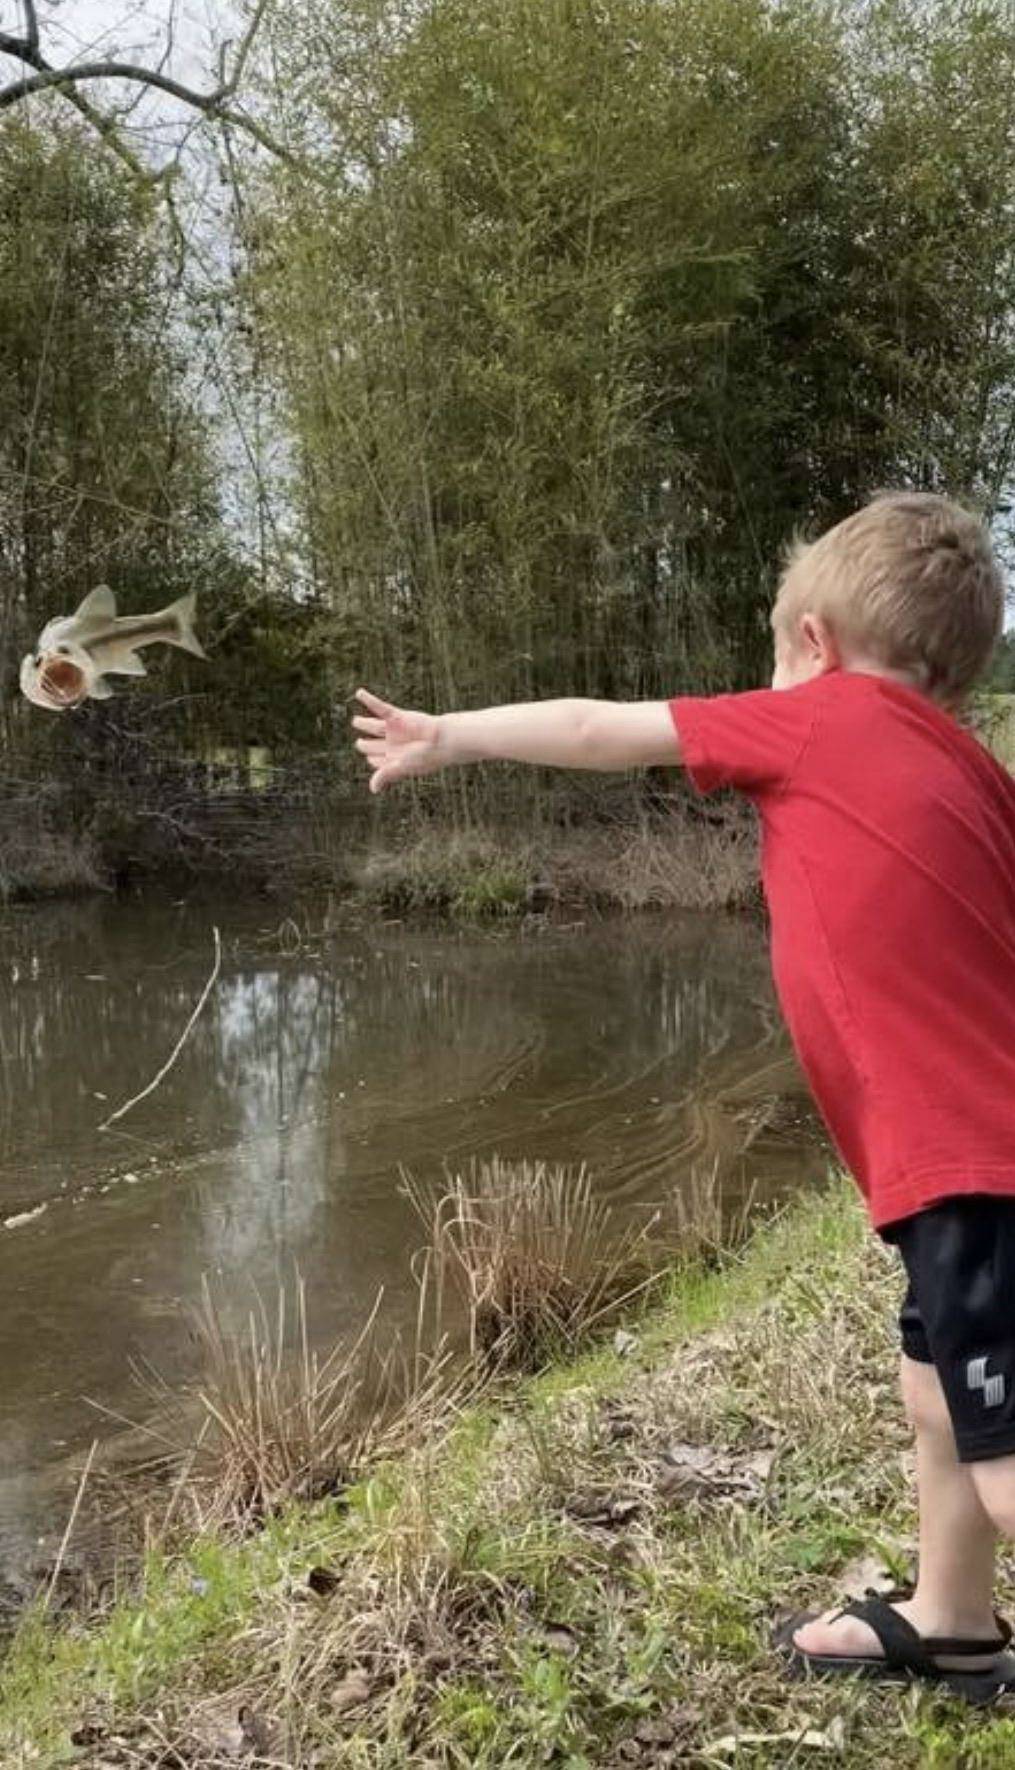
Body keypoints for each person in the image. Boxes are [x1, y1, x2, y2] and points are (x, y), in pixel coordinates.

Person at [352, 491, 1015, 1701]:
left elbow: (604, 726)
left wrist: (447, 736)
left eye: (774, 655)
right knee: (939, 1390)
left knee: (1003, 1444)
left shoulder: (816, 714)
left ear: (812, 642)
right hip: (965, 1161)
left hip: (970, 1161)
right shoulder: (972, 770)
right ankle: (952, 1620)